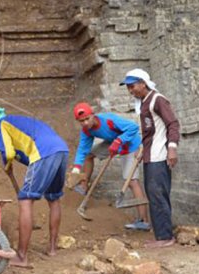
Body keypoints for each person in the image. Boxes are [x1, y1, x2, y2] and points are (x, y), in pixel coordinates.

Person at [0, 108, 69, 268]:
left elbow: (8, 152)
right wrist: (10, 164)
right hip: (61, 150)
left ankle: (21, 256)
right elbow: (22, 152)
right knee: (54, 198)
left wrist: (6, 164)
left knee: (25, 200)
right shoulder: (22, 122)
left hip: (44, 152)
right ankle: (52, 248)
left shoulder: (1, 124)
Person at [121, 68, 180, 248]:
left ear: (143, 83)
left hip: (159, 156)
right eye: (128, 88)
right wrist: (141, 149)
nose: (131, 90)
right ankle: (161, 235)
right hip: (149, 156)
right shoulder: (144, 103)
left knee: (158, 195)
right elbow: (149, 133)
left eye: (132, 86)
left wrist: (172, 148)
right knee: (153, 195)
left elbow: (173, 123)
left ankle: (165, 237)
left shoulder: (157, 100)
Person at [68, 102, 150, 231]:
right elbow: (83, 149)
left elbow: (133, 127)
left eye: (86, 119)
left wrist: (119, 141)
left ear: (93, 115)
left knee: (132, 182)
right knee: (89, 155)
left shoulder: (109, 120)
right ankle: (84, 185)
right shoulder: (87, 130)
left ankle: (144, 221)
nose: (84, 123)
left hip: (130, 144)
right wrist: (76, 168)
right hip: (113, 142)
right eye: (81, 121)